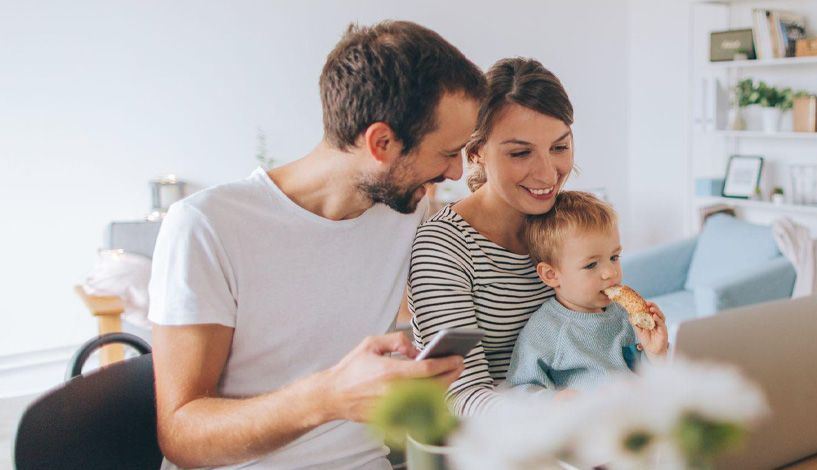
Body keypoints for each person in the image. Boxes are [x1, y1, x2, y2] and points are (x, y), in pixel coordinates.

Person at [148, 21, 484, 469]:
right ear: (381, 142)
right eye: (447, 152)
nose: (456, 172)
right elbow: (181, 435)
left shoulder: (405, 211)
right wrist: (327, 396)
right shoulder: (207, 226)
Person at [407, 57, 573, 416]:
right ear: (476, 151)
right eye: (520, 152)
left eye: (559, 148)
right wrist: (554, 412)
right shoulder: (444, 247)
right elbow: (462, 395)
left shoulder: (570, 223)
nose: (548, 174)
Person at [505, 191, 669, 395]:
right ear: (551, 274)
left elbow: (646, 376)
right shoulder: (545, 330)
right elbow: (518, 390)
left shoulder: (624, 315)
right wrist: (552, 401)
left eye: (614, 257)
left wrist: (656, 354)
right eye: (591, 265)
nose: (611, 272)